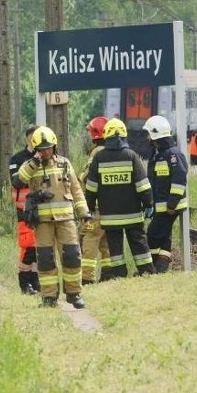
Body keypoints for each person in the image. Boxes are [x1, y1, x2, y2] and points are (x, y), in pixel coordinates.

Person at [13, 126, 92, 308]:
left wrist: (84, 213)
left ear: (54, 146)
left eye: (47, 148)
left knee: (72, 256)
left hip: (66, 220)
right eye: (41, 149)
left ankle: (74, 294)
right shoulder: (30, 165)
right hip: (42, 223)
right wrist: (34, 162)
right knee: (46, 260)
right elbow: (18, 181)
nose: (45, 151)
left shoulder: (64, 163)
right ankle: (49, 298)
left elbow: (76, 190)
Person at [84, 118, 156, 278]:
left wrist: (89, 208)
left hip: (110, 217)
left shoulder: (98, 158)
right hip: (133, 214)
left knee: (115, 248)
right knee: (139, 244)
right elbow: (143, 185)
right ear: (124, 136)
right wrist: (149, 204)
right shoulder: (131, 156)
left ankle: (119, 274)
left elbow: (91, 188)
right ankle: (147, 272)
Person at [143, 116, 189, 273]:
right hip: (161, 207)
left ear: (155, 135)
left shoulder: (173, 155)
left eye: (149, 134)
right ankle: (160, 269)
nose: (147, 137)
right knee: (163, 238)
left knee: (152, 236)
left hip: (169, 207)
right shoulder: (158, 155)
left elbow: (179, 179)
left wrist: (172, 203)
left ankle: (149, 269)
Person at [79, 116, 112, 284]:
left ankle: (87, 277)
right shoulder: (109, 151)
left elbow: (85, 177)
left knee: (89, 240)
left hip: (95, 208)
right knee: (105, 243)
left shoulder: (96, 153)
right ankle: (108, 274)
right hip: (108, 207)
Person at [8, 125, 41, 295]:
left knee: (39, 247)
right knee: (28, 246)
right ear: (29, 138)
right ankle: (25, 283)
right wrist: (33, 163)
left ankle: (36, 283)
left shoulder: (46, 156)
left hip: (42, 209)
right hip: (25, 210)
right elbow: (17, 182)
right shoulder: (17, 159)